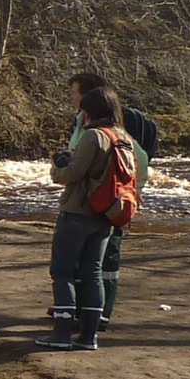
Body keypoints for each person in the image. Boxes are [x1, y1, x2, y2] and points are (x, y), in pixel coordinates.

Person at [42, 84, 131, 351]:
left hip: (78, 211)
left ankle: (61, 335)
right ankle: (88, 337)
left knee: (63, 271)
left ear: (89, 112)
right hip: (105, 213)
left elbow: (74, 173)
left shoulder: (93, 136)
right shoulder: (122, 136)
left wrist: (56, 169)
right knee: (93, 273)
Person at [71, 73, 159, 328]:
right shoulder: (81, 121)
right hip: (86, 202)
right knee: (81, 260)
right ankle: (79, 311)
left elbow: (138, 158)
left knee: (105, 262)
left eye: (75, 92)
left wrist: (130, 192)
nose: (72, 97)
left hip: (110, 203)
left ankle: (99, 314)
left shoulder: (117, 125)